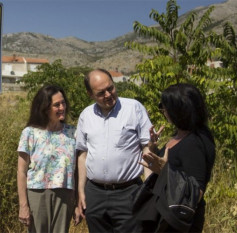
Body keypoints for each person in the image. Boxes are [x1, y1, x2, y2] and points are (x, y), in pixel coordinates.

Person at [75, 68, 153, 233]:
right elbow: (82, 154)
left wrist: (148, 189)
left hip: (128, 193)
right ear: (90, 94)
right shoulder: (86, 115)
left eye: (110, 88)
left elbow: (146, 149)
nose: (108, 95)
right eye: (101, 93)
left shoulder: (134, 108)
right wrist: (81, 191)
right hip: (95, 194)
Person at [140, 83, 216, 232]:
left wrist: (164, 171)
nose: (163, 111)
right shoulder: (180, 134)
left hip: (178, 223)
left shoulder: (194, 143)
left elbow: (197, 193)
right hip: (164, 215)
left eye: (165, 107)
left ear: (178, 111)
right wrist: (153, 147)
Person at [17, 85, 77, 233]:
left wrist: (78, 201)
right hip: (37, 193)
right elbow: (21, 171)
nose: (62, 107)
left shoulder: (73, 133)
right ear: (45, 108)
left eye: (63, 103)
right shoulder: (30, 133)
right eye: (57, 105)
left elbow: (78, 170)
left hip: (65, 193)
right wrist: (23, 205)